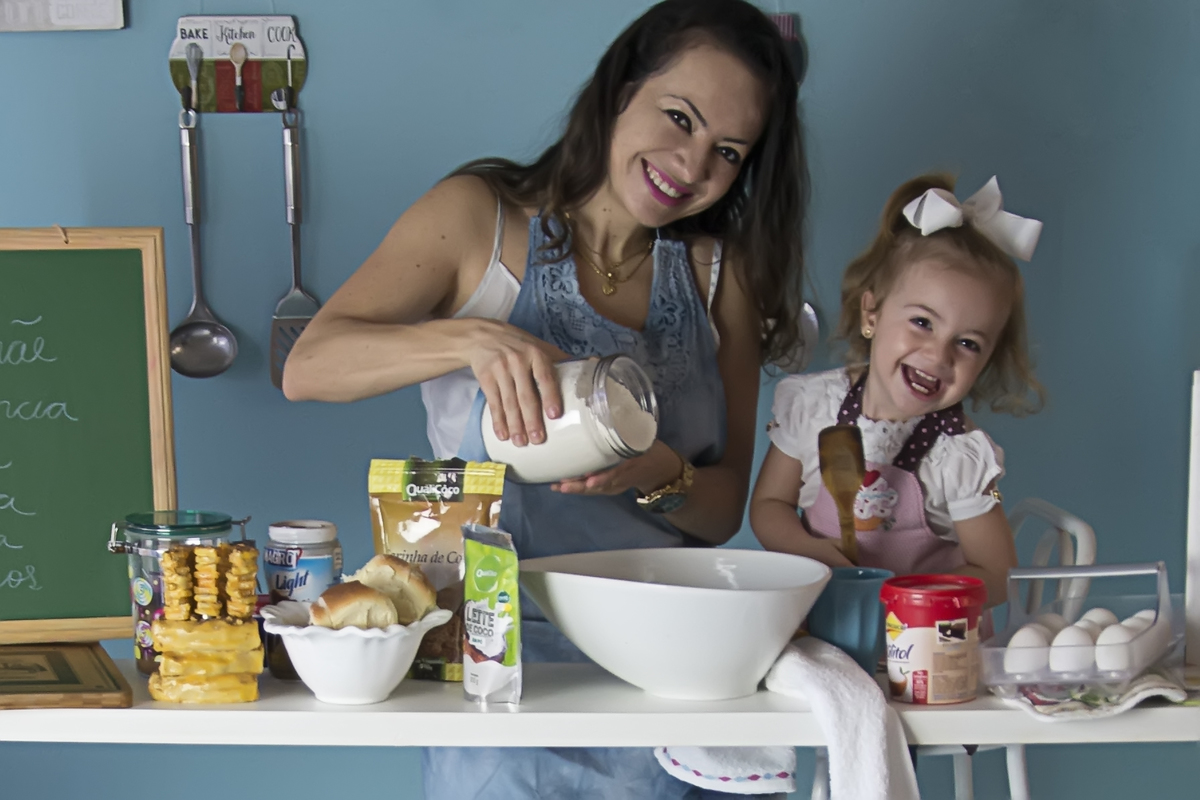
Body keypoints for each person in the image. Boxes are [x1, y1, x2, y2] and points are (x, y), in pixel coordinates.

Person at [283, 1, 808, 797]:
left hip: (667, 679)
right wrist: (472, 339)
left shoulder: (718, 275)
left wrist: (660, 475)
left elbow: (724, 508)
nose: (692, 163)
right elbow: (309, 366)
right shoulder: (479, 220)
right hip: (499, 675)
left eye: (727, 151)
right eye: (679, 117)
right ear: (620, 89)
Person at [751, 173, 1045, 606]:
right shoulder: (814, 408)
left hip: (920, 637)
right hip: (823, 614)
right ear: (872, 313)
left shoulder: (956, 454)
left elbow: (997, 575)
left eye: (968, 344)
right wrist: (814, 555)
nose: (939, 355)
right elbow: (770, 504)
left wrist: (906, 598)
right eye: (922, 322)